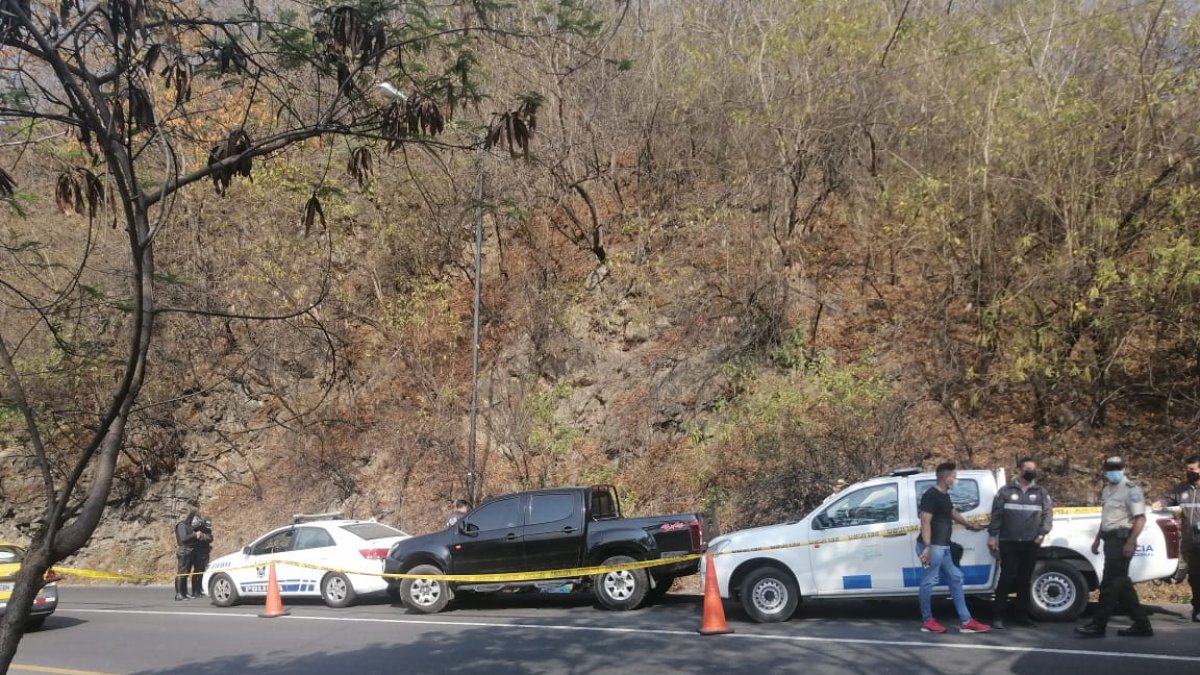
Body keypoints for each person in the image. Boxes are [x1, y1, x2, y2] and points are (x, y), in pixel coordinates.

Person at [1076, 456, 1153, 638]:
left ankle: (1098, 625)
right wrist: (1097, 539)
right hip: (1109, 540)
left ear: (1124, 468)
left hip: (1122, 540)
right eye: (1110, 468)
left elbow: (1140, 518)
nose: (1113, 471)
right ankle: (1142, 624)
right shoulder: (1107, 490)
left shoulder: (1131, 490)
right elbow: (1106, 519)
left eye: (1116, 467)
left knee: (1109, 585)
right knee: (1122, 584)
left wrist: (1131, 541)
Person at [917, 462, 991, 634]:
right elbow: (925, 520)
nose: (955, 479)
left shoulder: (944, 495)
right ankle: (927, 620)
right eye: (953, 476)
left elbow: (951, 512)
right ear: (944, 477)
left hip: (943, 546)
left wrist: (969, 525)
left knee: (956, 578)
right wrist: (927, 548)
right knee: (929, 581)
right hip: (932, 547)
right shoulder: (931, 495)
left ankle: (966, 621)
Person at [987, 456, 1053, 629]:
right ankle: (998, 616)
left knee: (1025, 580)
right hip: (1009, 541)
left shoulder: (1040, 492)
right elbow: (997, 515)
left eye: (1033, 469)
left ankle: (1022, 615)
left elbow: (1048, 515)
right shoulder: (1006, 491)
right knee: (1007, 578)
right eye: (1028, 469)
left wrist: (1041, 535)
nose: (1031, 472)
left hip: (1030, 542)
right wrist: (993, 535)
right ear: (1019, 470)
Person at [1151, 454, 1200, 623]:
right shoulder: (1182, 489)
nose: (1189, 472)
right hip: (1189, 540)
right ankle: (1197, 609)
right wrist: (1160, 502)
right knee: (1194, 576)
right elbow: (1168, 499)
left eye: (1192, 470)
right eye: (1187, 470)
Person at [174, 510, 201, 601]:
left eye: (198, 519)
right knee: (181, 573)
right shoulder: (182, 525)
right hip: (183, 551)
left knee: (186, 573)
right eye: (196, 518)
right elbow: (183, 538)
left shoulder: (191, 527)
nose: (197, 520)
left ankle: (184, 593)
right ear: (191, 517)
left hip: (190, 551)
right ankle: (179, 594)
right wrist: (194, 535)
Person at [191, 515, 214, 598]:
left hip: (205, 553)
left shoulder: (208, 529)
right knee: (197, 572)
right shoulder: (197, 528)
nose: (208, 527)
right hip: (198, 553)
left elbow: (210, 538)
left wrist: (203, 537)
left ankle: (200, 589)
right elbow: (195, 537)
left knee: (203, 572)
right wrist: (203, 537)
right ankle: (194, 591)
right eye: (207, 524)